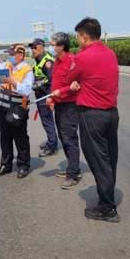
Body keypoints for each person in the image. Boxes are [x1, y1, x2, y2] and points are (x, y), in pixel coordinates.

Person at [67, 17, 120, 223]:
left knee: (99, 161)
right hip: (111, 113)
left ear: (84, 36)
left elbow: (70, 78)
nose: (78, 40)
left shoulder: (82, 57)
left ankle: (107, 208)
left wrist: (77, 82)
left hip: (92, 115)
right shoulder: (110, 53)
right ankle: (107, 198)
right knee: (109, 158)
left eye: (78, 36)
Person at [0, 44, 34, 179]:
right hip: (2, 107)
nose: (10, 56)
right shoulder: (7, 65)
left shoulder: (27, 70)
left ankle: (23, 165)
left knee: (20, 137)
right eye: (9, 53)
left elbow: (27, 90)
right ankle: (6, 164)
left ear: (20, 55)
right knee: (5, 137)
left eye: (12, 54)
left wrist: (14, 82)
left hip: (17, 108)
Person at [46, 32, 82, 190]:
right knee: (63, 136)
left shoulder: (71, 60)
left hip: (70, 105)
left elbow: (77, 84)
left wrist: (62, 91)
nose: (51, 46)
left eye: (53, 44)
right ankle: (72, 168)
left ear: (61, 45)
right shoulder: (56, 61)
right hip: (59, 104)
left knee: (69, 138)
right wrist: (52, 98)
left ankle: (73, 174)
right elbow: (56, 83)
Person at [28, 38, 59, 157]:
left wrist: (49, 97)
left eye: (35, 47)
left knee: (48, 121)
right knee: (45, 121)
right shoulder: (38, 61)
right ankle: (51, 141)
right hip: (40, 95)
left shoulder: (48, 62)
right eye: (32, 47)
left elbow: (52, 81)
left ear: (42, 47)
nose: (33, 49)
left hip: (45, 96)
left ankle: (52, 146)